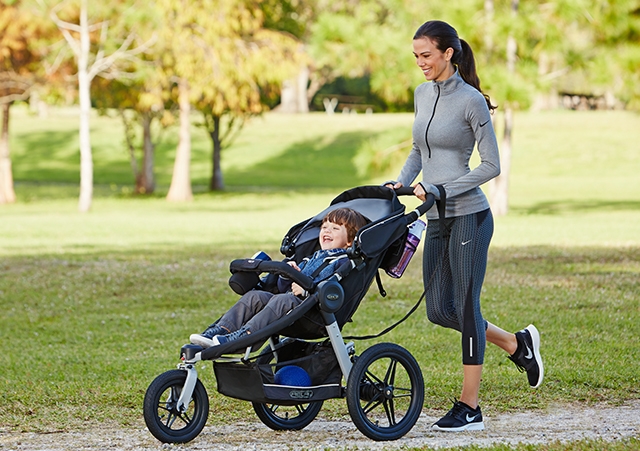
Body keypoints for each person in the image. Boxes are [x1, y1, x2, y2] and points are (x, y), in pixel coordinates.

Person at [386, 20, 544, 432]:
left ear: (447, 53)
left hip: (470, 215)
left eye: (426, 55)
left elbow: (491, 165)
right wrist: (401, 183)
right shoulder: (423, 93)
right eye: (416, 56)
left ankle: (469, 407)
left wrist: (441, 187)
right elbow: (419, 148)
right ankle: (515, 343)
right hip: (435, 216)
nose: (420, 63)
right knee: (440, 310)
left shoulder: (472, 101)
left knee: (466, 304)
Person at [190, 207, 368, 348]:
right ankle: (220, 330)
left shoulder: (343, 261)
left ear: (350, 241)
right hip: (290, 306)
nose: (326, 231)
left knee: (281, 301)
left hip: (313, 314)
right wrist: (287, 275)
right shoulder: (310, 258)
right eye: (324, 227)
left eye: (335, 228)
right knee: (255, 297)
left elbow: (331, 287)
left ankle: (244, 336)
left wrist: (308, 289)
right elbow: (284, 289)